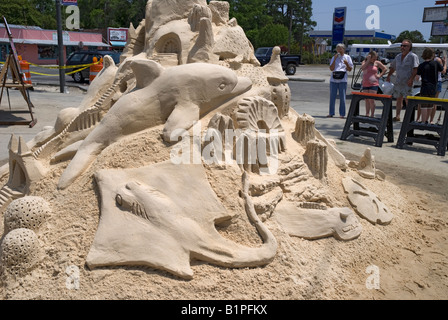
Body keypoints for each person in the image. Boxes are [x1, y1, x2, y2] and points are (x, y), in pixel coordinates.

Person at [386, 39, 419, 122]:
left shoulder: (413, 56)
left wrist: (411, 79)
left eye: (405, 46)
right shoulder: (398, 56)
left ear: (409, 47)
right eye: (402, 45)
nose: (402, 47)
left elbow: (415, 69)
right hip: (399, 81)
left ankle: (409, 117)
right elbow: (393, 67)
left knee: (407, 99)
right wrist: (389, 75)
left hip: (408, 81)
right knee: (398, 99)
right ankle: (397, 116)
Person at [415, 47, 444, 124]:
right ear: (432, 55)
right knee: (430, 105)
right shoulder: (436, 63)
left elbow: (417, 77)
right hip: (433, 86)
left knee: (423, 105)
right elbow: (443, 70)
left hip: (424, 86)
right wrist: (445, 63)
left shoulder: (421, 65)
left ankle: (423, 120)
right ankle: (427, 120)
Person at [328, 43, 353, 118]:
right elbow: (331, 68)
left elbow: (350, 69)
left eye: (340, 48)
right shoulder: (334, 57)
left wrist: (346, 64)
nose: (338, 50)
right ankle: (331, 112)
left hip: (343, 79)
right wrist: (335, 59)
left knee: (342, 97)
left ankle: (342, 113)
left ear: (343, 49)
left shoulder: (347, 57)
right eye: (337, 48)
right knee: (332, 97)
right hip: (334, 79)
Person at [360, 51, 388, 117]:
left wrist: (380, 75)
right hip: (365, 83)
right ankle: (367, 113)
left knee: (371, 99)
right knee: (366, 99)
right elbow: (362, 68)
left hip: (374, 83)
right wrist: (368, 60)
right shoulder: (365, 62)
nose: (374, 60)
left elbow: (385, 68)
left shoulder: (377, 63)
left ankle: (372, 114)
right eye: (373, 58)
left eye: (375, 58)